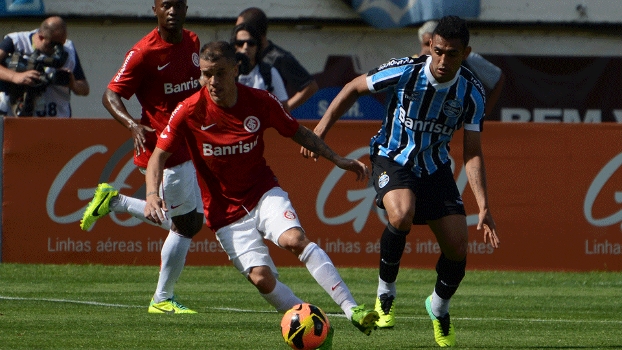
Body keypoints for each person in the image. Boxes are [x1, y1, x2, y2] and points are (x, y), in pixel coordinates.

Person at [144, 41, 380, 348]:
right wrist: (151, 193)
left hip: (262, 192)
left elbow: (299, 132)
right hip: (224, 211)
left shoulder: (259, 101)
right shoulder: (188, 110)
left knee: (294, 239)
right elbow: (157, 157)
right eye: (206, 74)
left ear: (235, 70)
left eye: (219, 73)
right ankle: (312, 320)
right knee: (261, 278)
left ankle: (352, 309)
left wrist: (338, 159)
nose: (213, 82)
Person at [301, 16, 500, 347]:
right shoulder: (405, 71)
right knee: (402, 213)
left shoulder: (471, 92)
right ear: (430, 46)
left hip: (435, 168)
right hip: (392, 158)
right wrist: (319, 132)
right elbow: (352, 87)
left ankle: (438, 307)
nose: (442, 60)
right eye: (437, 51)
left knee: (458, 247)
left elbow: (473, 152)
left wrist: (484, 207)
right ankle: (385, 293)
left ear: (466, 53)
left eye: (451, 54)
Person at [79, 0, 204, 314]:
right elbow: (110, 95)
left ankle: (114, 201)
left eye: (178, 4)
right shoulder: (143, 53)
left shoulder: (192, 41)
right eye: (166, 5)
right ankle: (161, 299)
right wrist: (132, 124)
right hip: (163, 149)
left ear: (186, 8)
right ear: (156, 10)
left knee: (190, 222)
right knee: (184, 226)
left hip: (189, 143)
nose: (172, 10)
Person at [0, 16, 89, 117]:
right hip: (17, 118)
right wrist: (15, 76)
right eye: (53, 44)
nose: (57, 49)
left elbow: (85, 89)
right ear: (41, 37)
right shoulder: (17, 41)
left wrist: (73, 84)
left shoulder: (68, 49)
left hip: (55, 120)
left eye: (61, 45)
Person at [418, 20, 506, 118]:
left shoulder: (468, 58)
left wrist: (484, 113)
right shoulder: (414, 65)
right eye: (427, 44)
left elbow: (498, 77)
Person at [236, 7, 318, 111]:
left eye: (240, 27)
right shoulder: (238, 58)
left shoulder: (278, 57)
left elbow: (310, 86)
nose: (237, 33)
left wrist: (281, 111)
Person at [231, 22, 288, 103]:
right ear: (234, 46)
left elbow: (283, 109)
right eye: (240, 43)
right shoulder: (226, 73)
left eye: (251, 43)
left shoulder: (269, 73)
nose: (245, 47)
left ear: (258, 46)